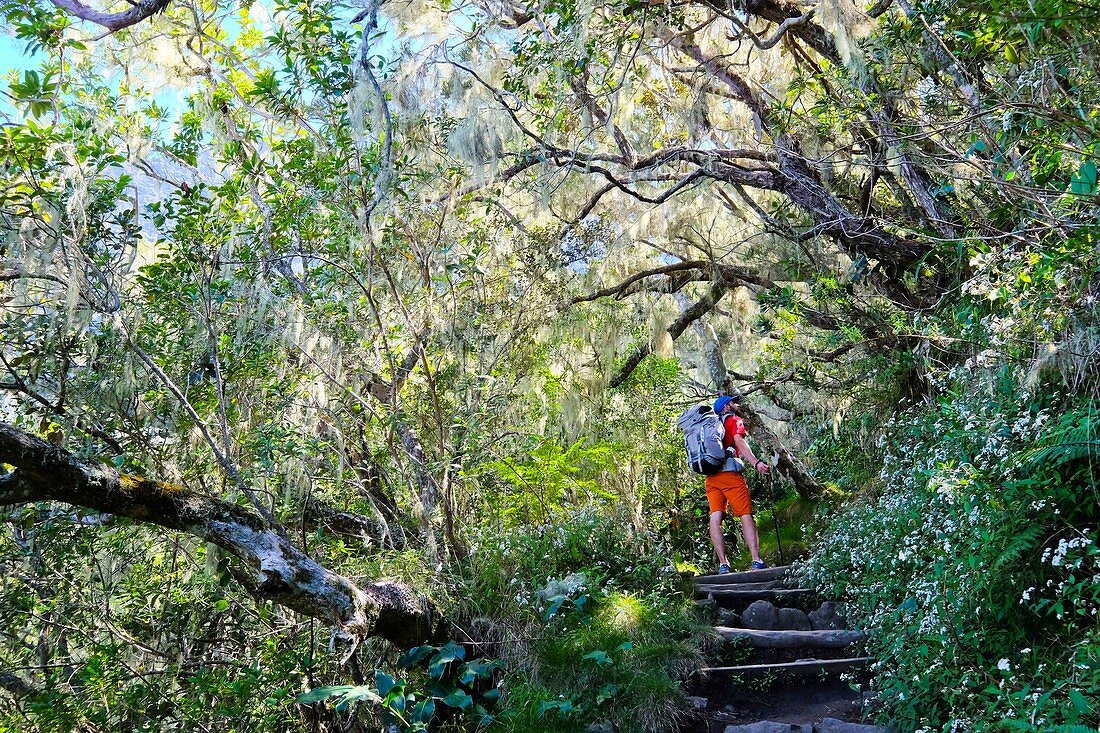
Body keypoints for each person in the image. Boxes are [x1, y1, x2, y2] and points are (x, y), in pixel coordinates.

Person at [707, 393, 770, 573]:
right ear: (726, 407)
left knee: (715, 517)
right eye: (733, 403)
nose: (736, 405)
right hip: (730, 475)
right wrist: (756, 463)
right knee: (745, 514)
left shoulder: (710, 426)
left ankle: (723, 564)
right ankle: (756, 561)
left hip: (711, 477)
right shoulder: (733, 420)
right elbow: (739, 442)